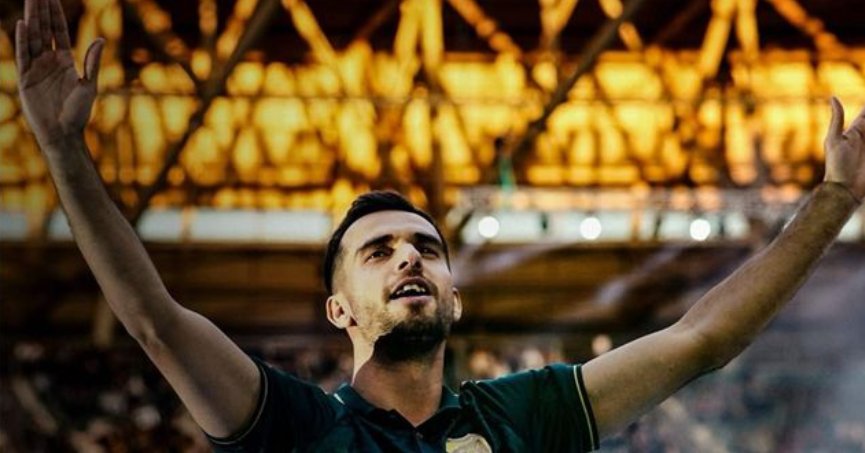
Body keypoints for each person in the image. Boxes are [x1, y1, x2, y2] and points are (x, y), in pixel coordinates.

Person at [14, 0, 865, 450]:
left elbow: (700, 339)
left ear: (455, 295)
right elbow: (155, 322)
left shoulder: (527, 415)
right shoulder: (294, 426)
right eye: (377, 251)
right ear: (338, 309)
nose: (407, 259)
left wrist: (831, 198)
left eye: (426, 247)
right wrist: (62, 153)